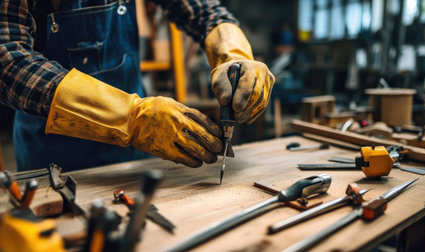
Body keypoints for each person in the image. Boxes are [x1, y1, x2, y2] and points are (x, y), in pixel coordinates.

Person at [0, 0, 274, 171]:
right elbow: (7, 60)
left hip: (135, 155)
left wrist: (235, 54)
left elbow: (205, 11)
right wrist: (132, 118)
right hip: (55, 159)